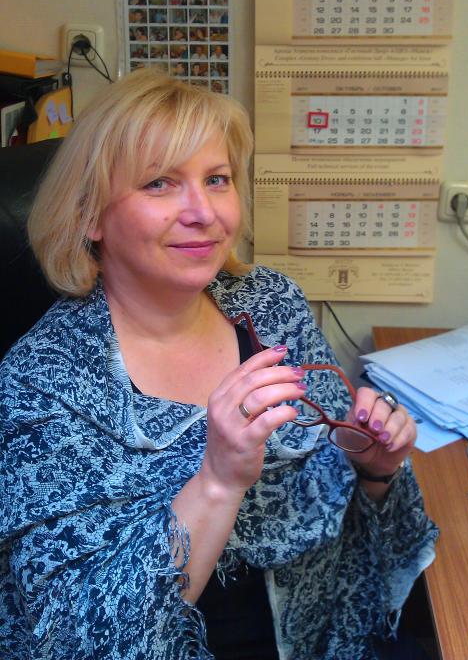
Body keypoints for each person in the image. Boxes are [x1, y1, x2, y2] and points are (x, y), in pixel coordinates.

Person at [0, 70, 437, 660]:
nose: (202, 211)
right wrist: (217, 479)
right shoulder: (42, 382)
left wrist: (374, 468)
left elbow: (349, 511)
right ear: (90, 215)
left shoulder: (271, 306)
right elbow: (80, 639)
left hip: (324, 634)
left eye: (216, 179)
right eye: (159, 183)